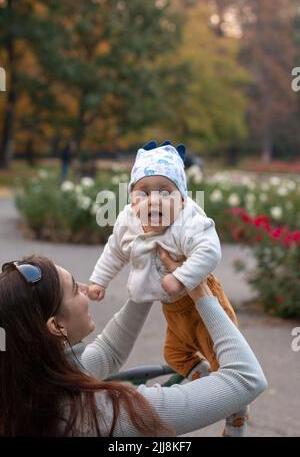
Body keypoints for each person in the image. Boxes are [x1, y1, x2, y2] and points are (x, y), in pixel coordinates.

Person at [0, 254, 267, 436]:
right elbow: (246, 379)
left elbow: (108, 353)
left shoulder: (28, 384)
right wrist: (202, 293)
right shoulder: (103, 414)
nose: (84, 288)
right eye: (74, 289)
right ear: (57, 326)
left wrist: (147, 283)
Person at [89, 140, 247, 436]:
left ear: (182, 198)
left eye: (166, 191)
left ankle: (236, 417)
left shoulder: (189, 222)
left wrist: (182, 277)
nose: (154, 200)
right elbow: (115, 251)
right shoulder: (129, 220)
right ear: (133, 199)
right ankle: (205, 381)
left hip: (203, 303)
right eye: (144, 192)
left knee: (225, 364)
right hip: (172, 308)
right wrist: (100, 281)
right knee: (175, 355)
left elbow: (209, 251)